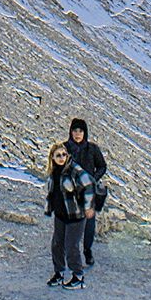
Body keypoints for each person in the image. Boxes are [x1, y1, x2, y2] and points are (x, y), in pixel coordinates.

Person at [45, 138, 95, 287]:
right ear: (52, 158)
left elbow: (89, 185)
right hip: (60, 215)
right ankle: (59, 273)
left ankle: (78, 277)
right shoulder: (54, 172)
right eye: (58, 155)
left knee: (71, 246)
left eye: (64, 154)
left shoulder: (74, 169)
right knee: (57, 244)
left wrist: (88, 206)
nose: (62, 158)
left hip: (75, 215)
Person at [65, 117, 108, 265]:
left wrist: (92, 179)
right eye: (75, 130)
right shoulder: (64, 148)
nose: (78, 134)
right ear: (71, 132)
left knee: (89, 224)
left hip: (88, 192)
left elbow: (102, 166)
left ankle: (87, 251)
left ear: (85, 133)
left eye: (80, 131)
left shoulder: (92, 149)